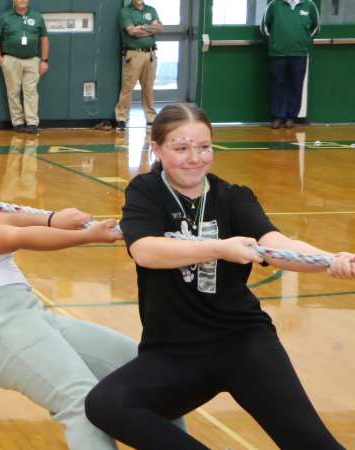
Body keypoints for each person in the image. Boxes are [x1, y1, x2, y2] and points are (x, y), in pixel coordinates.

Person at [84, 103, 355, 450]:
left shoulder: (234, 197)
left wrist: (330, 260)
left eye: (204, 147)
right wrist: (220, 248)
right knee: (108, 404)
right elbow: (146, 252)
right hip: (172, 352)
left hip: (243, 341)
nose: (195, 158)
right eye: (181, 148)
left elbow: (277, 244)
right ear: (157, 148)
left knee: (309, 440)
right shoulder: (146, 192)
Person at [0, 144, 174, 449]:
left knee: (148, 374)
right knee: (82, 404)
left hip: (31, 315)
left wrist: (55, 219)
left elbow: (8, 221)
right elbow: (13, 238)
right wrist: (88, 235)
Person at [0, 0, 48, 134]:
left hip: (32, 60)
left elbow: (44, 38)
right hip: (11, 59)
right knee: (13, 91)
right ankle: (18, 122)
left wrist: (44, 60)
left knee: (31, 91)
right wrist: (0, 59)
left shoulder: (36, 16)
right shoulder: (4, 17)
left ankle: (32, 122)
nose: (22, 0)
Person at [261, 0, 320, 129]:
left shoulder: (309, 5)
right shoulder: (274, 4)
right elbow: (265, 27)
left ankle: (291, 118)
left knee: (296, 85)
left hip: (300, 52)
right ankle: (277, 117)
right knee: (278, 84)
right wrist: (275, 40)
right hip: (277, 52)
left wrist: (304, 40)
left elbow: (315, 27)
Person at [115, 0, 163, 130]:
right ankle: (122, 118)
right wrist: (149, 28)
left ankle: (151, 118)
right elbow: (131, 31)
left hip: (151, 54)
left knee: (148, 87)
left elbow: (160, 28)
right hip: (134, 54)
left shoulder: (151, 10)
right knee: (128, 87)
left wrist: (140, 27)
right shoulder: (126, 11)